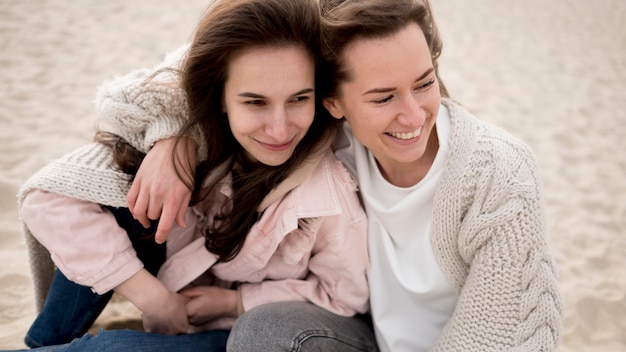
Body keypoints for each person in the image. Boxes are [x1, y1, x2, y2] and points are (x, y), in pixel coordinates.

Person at [99, 0, 565, 351]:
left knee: (257, 332)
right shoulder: (330, 135)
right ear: (333, 103)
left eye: (424, 83)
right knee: (261, 331)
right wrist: (170, 139)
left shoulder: (497, 173)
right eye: (383, 98)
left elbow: (505, 334)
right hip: (359, 336)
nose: (413, 115)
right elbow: (212, 61)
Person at [12, 0, 373, 351]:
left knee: (111, 347)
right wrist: (152, 299)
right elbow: (48, 199)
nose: (280, 130)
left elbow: (344, 297)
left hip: (235, 332)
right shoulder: (195, 142)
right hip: (170, 289)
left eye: (298, 99)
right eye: (255, 102)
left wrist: (235, 303)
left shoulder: (327, 193)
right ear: (220, 98)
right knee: (122, 203)